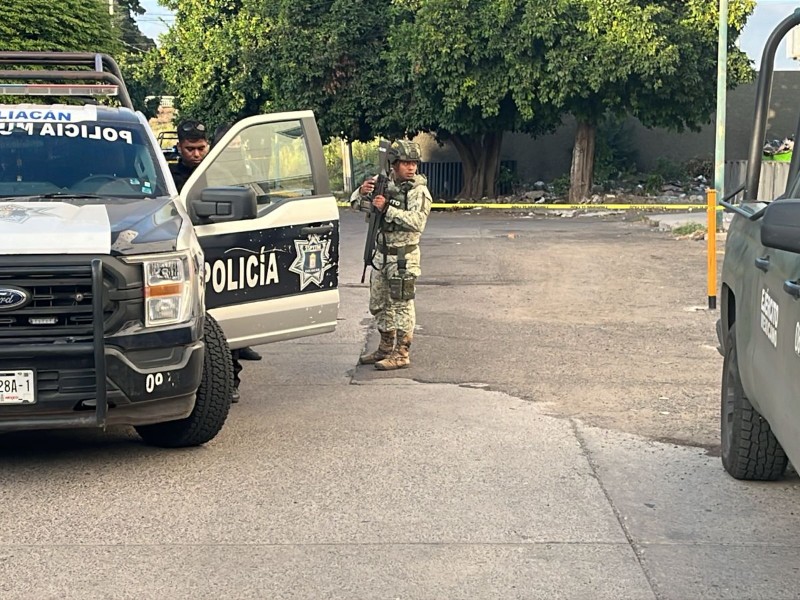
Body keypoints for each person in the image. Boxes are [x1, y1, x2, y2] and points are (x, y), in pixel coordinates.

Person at [169, 119, 259, 403]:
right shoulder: (169, 178)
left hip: (221, 251)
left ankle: (230, 379)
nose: (196, 154)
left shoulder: (220, 173)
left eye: (201, 148)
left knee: (225, 317)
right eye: (190, 149)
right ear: (179, 147)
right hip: (185, 254)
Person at [351, 140, 432, 370]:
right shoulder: (383, 185)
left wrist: (388, 209)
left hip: (403, 257)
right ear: (394, 164)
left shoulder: (418, 190)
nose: (411, 167)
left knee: (402, 305)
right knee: (379, 303)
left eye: (414, 163)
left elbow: (418, 222)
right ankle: (385, 347)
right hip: (382, 255)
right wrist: (362, 192)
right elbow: (357, 205)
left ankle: (402, 353)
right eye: (405, 163)